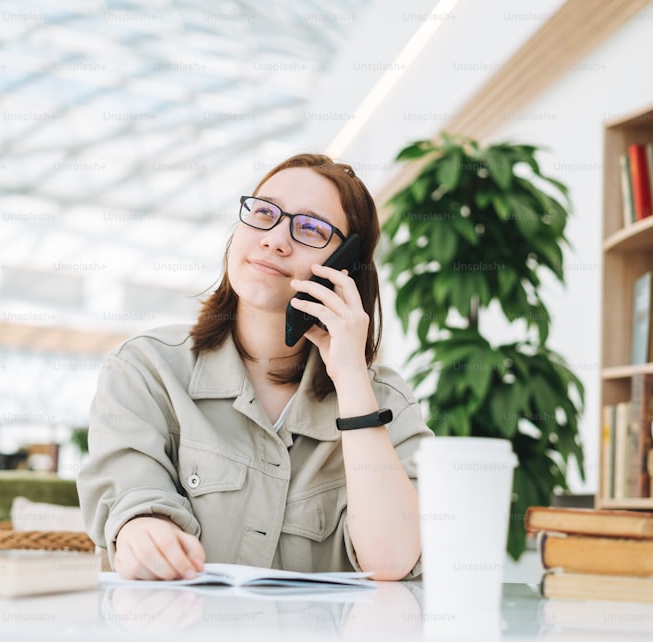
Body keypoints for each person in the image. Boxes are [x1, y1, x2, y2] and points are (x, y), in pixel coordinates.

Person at [77, 153, 432, 581]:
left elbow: (393, 560)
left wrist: (352, 378)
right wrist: (143, 528)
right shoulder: (147, 369)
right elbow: (131, 496)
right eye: (264, 213)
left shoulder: (386, 402)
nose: (276, 239)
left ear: (346, 268)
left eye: (311, 229)